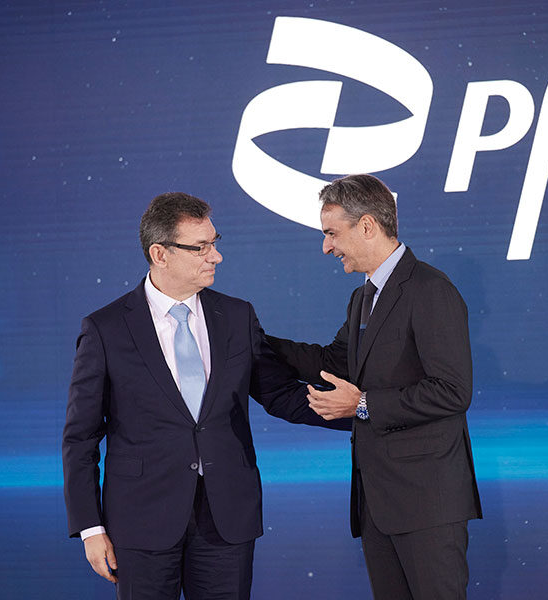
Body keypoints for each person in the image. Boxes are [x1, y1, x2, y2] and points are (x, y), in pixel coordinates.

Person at [62, 192, 348, 599]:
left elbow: (279, 394)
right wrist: (91, 528)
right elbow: (81, 436)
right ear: (159, 254)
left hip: (226, 517)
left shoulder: (236, 316)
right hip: (141, 520)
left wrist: (363, 412)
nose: (216, 256)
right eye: (201, 247)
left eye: (214, 243)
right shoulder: (105, 329)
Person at [266, 174, 482, 599]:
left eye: (332, 233)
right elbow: (332, 364)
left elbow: (453, 391)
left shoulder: (430, 289)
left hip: (427, 502)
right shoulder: (363, 296)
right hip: (378, 503)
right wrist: (251, 340)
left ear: (366, 226)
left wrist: (363, 404)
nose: (326, 246)